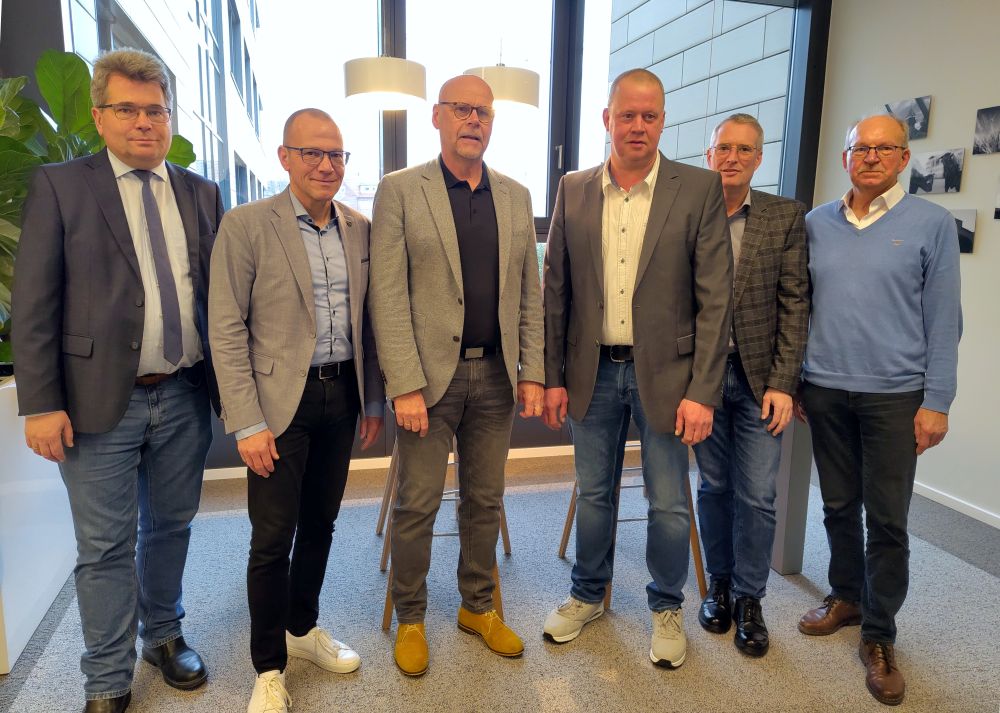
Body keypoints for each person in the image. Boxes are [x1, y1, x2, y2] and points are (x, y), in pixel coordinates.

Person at [12, 48, 224, 713]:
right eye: (127, 110)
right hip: (97, 400)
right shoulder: (61, 186)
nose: (143, 123)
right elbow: (34, 302)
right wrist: (40, 403)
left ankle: (162, 634)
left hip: (183, 392)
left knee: (171, 526)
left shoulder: (200, 192)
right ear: (100, 116)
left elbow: (215, 297)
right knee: (103, 546)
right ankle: (106, 677)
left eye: (155, 110)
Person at [541, 68, 733, 668]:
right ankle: (588, 593)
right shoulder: (574, 188)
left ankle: (666, 605)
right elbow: (556, 292)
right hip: (591, 372)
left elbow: (715, 300)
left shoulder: (697, 188)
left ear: (663, 121)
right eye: (628, 115)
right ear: (608, 119)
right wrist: (552, 376)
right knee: (594, 494)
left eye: (650, 116)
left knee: (669, 501)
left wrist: (703, 391)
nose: (638, 126)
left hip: (671, 378)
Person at [369, 75, 545, 677]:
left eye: (484, 112)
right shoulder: (401, 190)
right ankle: (411, 616)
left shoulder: (516, 195)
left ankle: (478, 606)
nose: (474, 120)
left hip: (495, 376)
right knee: (417, 505)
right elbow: (388, 295)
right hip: (427, 382)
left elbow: (528, 295)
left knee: (485, 500)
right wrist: (404, 384)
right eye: (462, 109)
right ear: (437, 117)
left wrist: (532, 371)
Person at [209, 108, 384, 713]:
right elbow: (226, 328)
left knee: (321, 524)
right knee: (271, 537)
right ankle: (267, 666)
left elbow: (369, 321)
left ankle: (302, 628)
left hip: (343, 396)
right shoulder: (246, 225)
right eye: (312, 153)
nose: (326, 165)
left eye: (336, 154)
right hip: (278, 404)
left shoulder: (359, 228)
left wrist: (372, 399)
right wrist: (247, 422)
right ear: (285, 157)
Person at [796, 115, 961, 706]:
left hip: (895, 396)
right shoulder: (816, 223)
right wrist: (797, 382)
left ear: (903, 158)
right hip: (824, 388)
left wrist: (937, 401)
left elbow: (945, 319)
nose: (870, 157)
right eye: (860, 148)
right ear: (846, 158)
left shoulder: (931, 224)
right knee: (838, 505)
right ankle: (846, 595)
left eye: (883, 148)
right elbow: (800, 307)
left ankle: (880, 633)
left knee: (887, 519)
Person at [692, 114, 810, 656]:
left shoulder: (785, 216)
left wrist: (785, 382)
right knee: (713, 487)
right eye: (724, 148)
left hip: (761, 380)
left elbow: (795, 303)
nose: (732, 158)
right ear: (708, 155)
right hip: (703, 380)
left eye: (744, 150)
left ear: (759, 158)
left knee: (758, 495)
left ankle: (750, 598)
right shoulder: (689, 212)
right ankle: (718, 585)